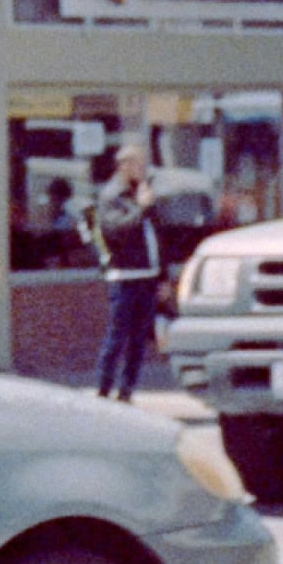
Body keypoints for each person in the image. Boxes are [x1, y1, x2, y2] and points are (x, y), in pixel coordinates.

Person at [93, 152, 165, 401]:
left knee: (139, 340)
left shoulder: (142, 192)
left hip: (148, 275)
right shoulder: (111, 196)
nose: (143, 169)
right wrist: (142, 207)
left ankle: (126, 391)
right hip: (125, 277)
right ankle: (103, 389)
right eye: (138, 164)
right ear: (123, 166)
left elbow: (156, 237)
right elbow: (118, 232)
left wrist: (163, 276)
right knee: (117, 337)